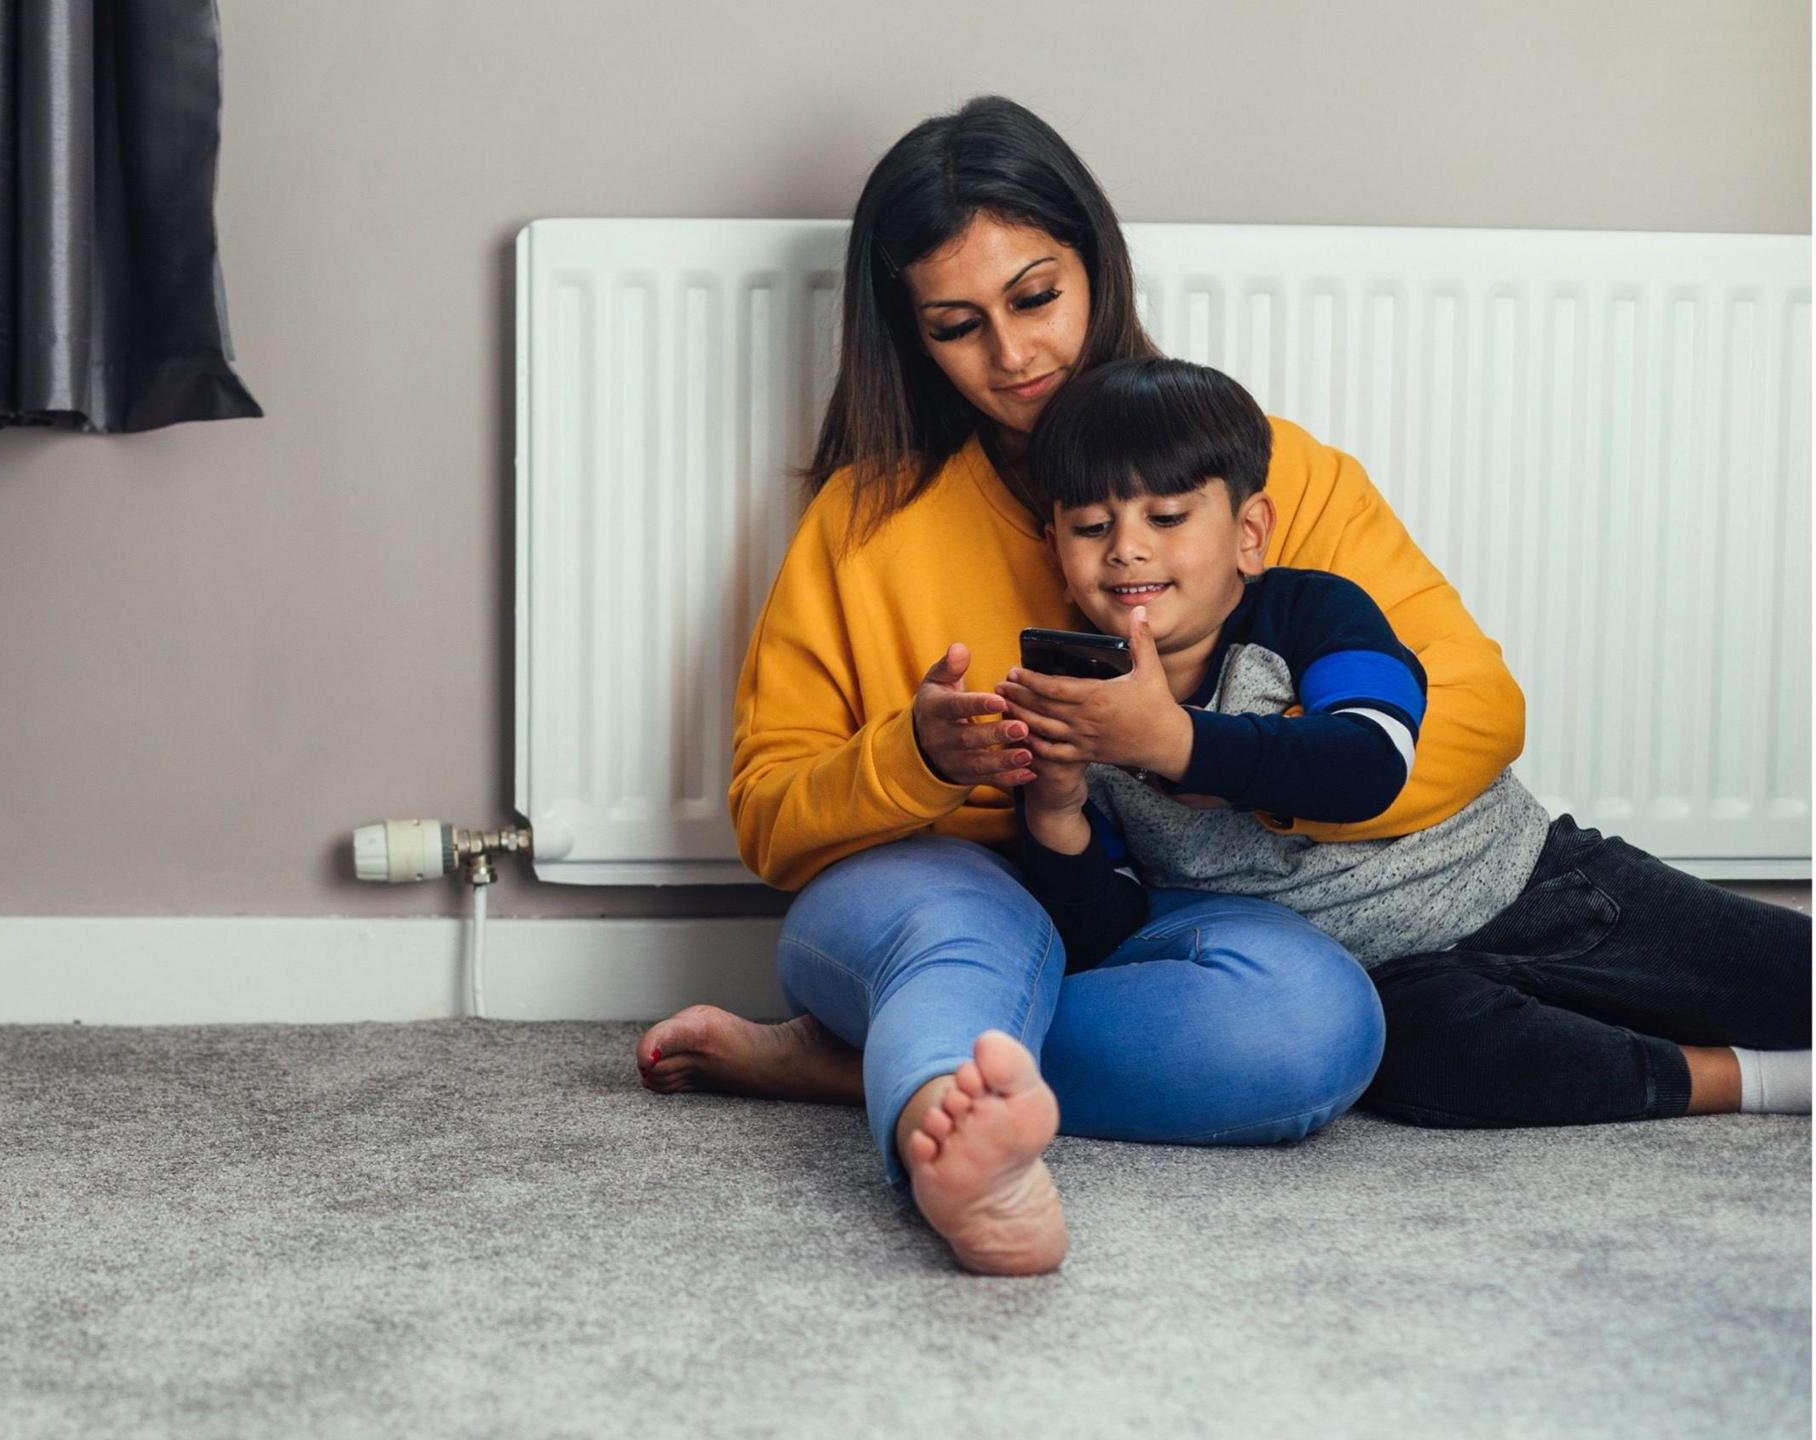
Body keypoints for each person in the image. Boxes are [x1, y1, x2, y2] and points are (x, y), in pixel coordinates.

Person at [636, 95, 1527, 1276]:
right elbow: (766, 812)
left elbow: (1476, 711)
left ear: (1097, 265)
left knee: (1319, 1026)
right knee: (970, 929)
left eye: (1037, 296)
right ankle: (948, 1155)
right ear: (910, 333)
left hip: (1157, 898)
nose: (1013, 357)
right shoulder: (861, 523)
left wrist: (1191, 757)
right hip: (940, 889)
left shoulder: (1263, 470)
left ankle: (872, 1060)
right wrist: (918, 760)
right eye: (956, 324)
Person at [998, 355, 1813, 1126]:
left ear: (1250, 533)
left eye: (1167, 516)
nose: (1127, 548)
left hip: (1533, 885)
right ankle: (1760, 1080)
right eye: (1092, 525)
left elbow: (1370, 761)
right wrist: (1058, 812)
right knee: (1428, 1069)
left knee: (1781, 974)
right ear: (1056, 552)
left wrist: (1177, 741)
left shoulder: (1314, 612)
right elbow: (1106, 937)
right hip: (1397, 980)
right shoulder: (1074, 708)